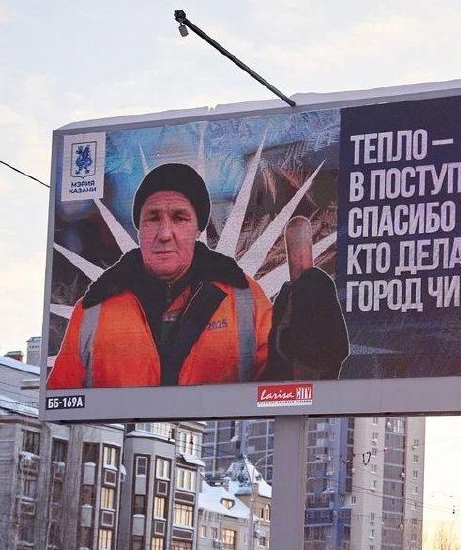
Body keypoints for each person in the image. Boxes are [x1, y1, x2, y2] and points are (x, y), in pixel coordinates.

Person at [47, 163, 348, 388]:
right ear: (138, 229)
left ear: (198, 229)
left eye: (179, 218)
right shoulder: (93, 310)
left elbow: (283, 387)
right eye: (152, 218)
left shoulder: (243, 298)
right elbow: (64, 400)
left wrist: (315, 358)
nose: (164, 233)